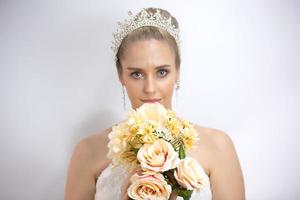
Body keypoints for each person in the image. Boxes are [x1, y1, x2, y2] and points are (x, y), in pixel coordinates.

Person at [64, 7, 245, 200]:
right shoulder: (88, 151)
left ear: (177, 71)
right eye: (137, 74)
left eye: (161, 72)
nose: (150, 88)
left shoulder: (218, 146)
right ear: (121, 76)